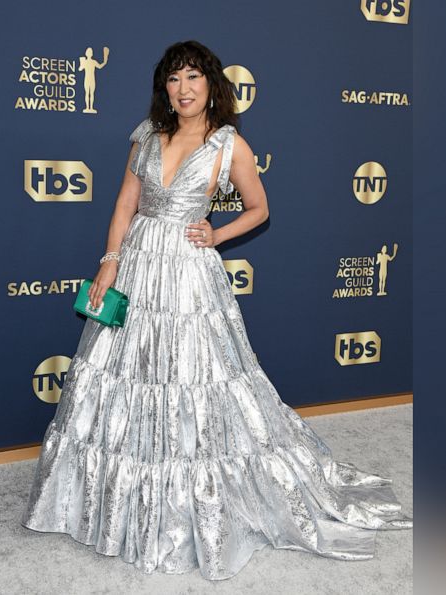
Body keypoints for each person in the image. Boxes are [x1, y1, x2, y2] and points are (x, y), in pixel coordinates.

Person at [21, 40, 412, 581]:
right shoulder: (147, 135)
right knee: (124, 377)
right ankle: (111, 503)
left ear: (212, 86)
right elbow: (124, 205)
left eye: (193, 78)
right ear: (165, 87)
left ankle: (188, 501)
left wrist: (216, 233)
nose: (182, 89)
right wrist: (109, 263)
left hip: (187, 274)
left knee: (192, 379)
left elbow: (261, 208)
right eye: (173, 79)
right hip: (137, 265)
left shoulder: (229, 146)